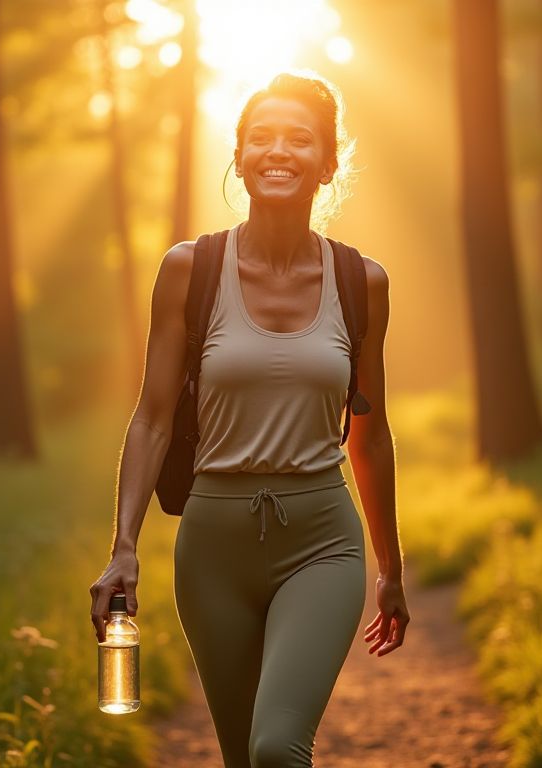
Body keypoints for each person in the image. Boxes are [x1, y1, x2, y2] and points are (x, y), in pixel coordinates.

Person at [89, 71, 409, 768]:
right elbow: (151, 420)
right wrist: (124, 546)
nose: (278, 152)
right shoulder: (190, 269)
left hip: (322, 541)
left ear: (328, 163)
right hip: (212, 549)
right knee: (243, 759)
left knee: (275, 750)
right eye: (260, 137)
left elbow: (371, 432)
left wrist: (390, 567)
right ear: (238, 157)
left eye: (301, 140)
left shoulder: (362, 282)